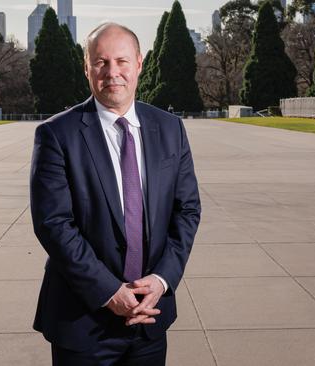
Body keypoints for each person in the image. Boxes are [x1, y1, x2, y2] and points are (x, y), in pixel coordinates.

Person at [30, 22, 201, 366]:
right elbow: (54, 224)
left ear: (139, 63)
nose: (113, 73)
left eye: (122, 61)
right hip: (83, 320)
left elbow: (187, 211)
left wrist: (162, 279)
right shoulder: (56, 135)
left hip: (150, 316)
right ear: (87, 68)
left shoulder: (170, 129)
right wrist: (108, 292)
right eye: (101, 62)